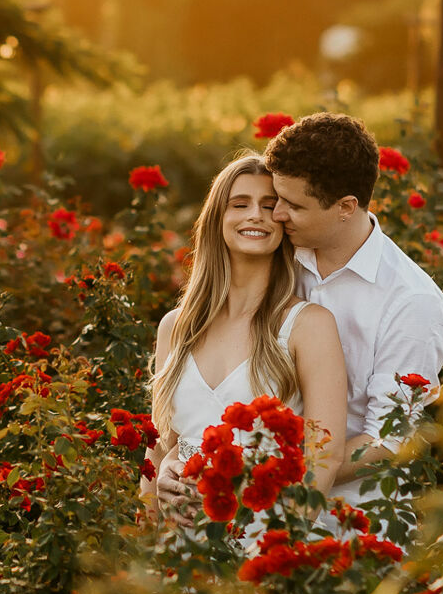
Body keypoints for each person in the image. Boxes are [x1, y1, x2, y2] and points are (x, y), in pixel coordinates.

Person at [140, 154, 350, 528]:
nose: (255, 215)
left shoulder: (308, 326)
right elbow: (159, 447)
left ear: (284, 222)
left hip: (259, 542)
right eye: (240, 204)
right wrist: (144, 536)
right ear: (217, 218)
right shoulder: (176, 327)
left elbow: (326, 456)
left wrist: (278, 545)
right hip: (178, 551)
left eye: (270, 207)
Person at [260, 111, 443, 514]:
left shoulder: (411, 303)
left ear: (346, 206)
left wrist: (288, 479)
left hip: (351, 521)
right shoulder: (275, 255)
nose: (276, 213)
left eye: (293, 205)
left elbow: (387, 439)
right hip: (252, 501)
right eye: (276, 197)